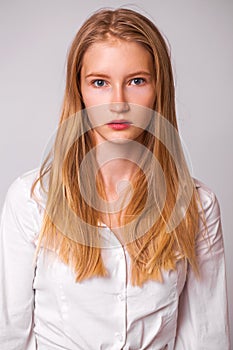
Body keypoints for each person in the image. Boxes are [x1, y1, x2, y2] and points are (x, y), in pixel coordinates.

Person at [0, 8, 230, 350]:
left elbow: (206, 337)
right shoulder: (31, 200)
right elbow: (12, 335)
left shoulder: (198, 205)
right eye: (100, 82)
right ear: (79, 90)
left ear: (158, 89)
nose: (118, 103)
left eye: (137, 81)